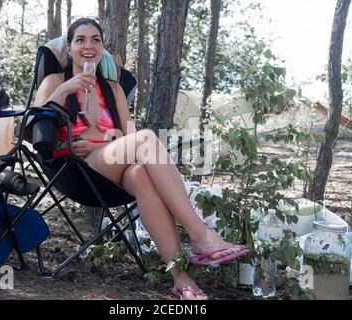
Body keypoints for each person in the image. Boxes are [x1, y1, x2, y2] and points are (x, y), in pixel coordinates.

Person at [34, 17, 248, 300]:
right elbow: (34, 125)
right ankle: (199, 234)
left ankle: (181, 279)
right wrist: (66, 92)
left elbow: (126, 134)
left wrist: (111, 138)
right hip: (74, 169)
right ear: (70, 50)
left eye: (95, 40)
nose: (89, 46)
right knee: (147, 138)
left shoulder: (113, 89)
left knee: (141, 175)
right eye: (80, 40)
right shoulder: (55, 81)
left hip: (111, 166)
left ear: (102, 49)